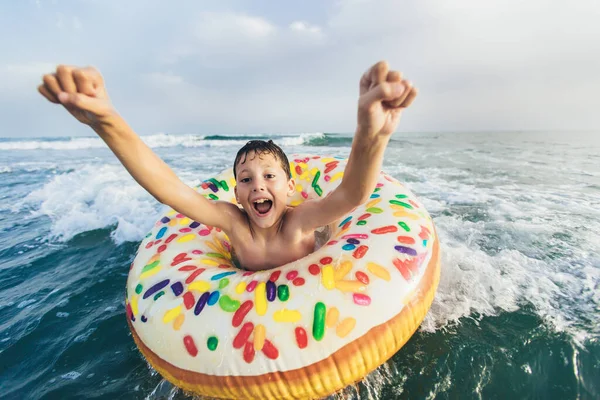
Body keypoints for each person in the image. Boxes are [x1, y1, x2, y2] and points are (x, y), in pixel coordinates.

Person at [38, 61, 417, 271]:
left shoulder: (300, 221)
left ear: (288, 187)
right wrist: (107, 123)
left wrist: (372, 134)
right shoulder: (235, 224)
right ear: (236, 193)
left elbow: (352, 193)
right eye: (246, 179)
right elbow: (170, 190)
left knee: (331, 212)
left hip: (315, 269)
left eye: (270, 177)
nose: (258, 186)